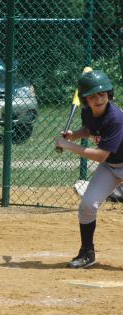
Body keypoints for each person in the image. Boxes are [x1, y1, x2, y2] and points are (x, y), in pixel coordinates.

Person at [55, 69, 123, 268]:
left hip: (109, 160)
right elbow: (91, 129)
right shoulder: (88, 113)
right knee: (87, 206)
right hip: (111, 167)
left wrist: (68, 146)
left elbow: (101, 155)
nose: (98, 99)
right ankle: (87, 252)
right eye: (92, 96)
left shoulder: (116, 118)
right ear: (85, 100)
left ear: (109, 94)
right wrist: (73, 135)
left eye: (102, 94)